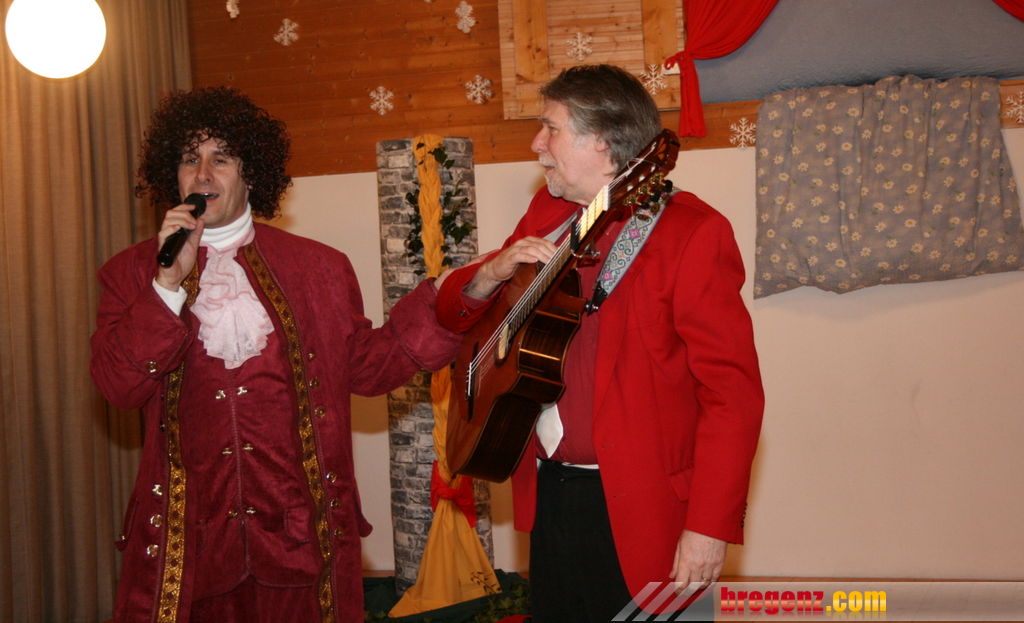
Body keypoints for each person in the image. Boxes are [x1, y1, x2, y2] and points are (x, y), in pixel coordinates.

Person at [91, 86, 460, 623]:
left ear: (251, 175)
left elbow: (368, 367)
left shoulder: (319, 268)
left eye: (221, 158)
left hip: (301, 541)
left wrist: (453, 298)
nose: (203, 174)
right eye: (190, 159)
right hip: (187, 547)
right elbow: (118, 387)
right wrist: (166, 285)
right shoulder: (130, 274)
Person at [435, 65, 765, 621]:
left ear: (603, 141)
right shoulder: (546, 214)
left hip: (645, 512)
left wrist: (708, 527)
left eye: (551, 128)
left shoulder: (693, 233)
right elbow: (456, 315)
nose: (537, 144)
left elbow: (733, 396)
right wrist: (490, 271)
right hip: (549, 494)